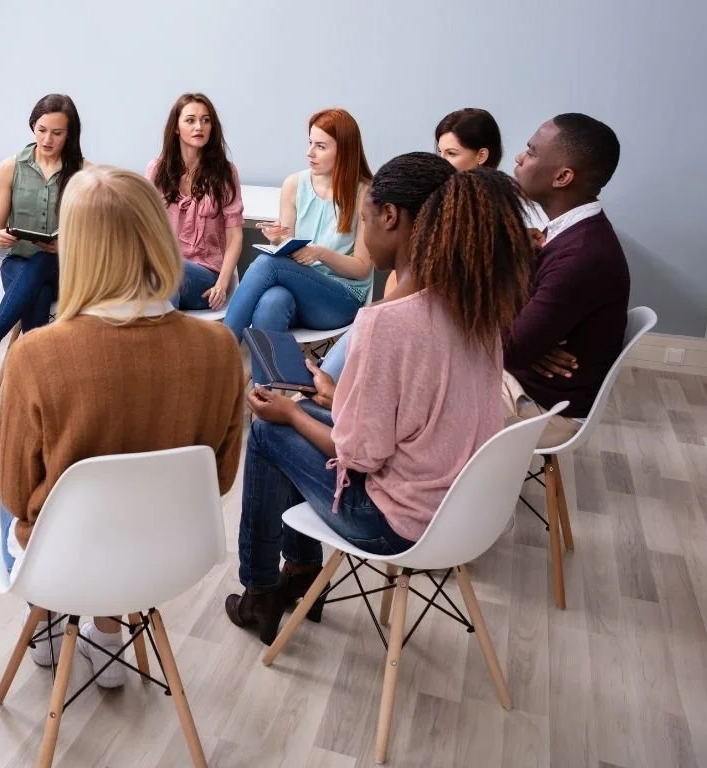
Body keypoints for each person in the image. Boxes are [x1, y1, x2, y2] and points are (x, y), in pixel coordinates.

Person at [225, 157, 533, 644]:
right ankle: (300, 576)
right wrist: (337, 394)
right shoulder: (477, 307)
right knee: (301, 410)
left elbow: (361, 456)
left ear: (391, 216)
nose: (364, 231)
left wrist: (289, 412)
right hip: (463, 511)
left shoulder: (385, 322)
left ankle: (262, 593)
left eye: (365, 219)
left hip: (396, 523)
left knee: (268, 429)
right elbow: (418, 413)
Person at [0, 165, 245, 687]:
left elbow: (16, 494)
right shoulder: (220, 348)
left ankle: (52, 620)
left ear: (76, 247)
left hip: (66, 554)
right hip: (170, 550)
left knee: (19, 492)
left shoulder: (37, 353)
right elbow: (218, 480)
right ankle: (111, 631)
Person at [222, 108, 374, 384]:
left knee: (269, 264)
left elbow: (362, 269)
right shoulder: (295, 184)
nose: (310, 153)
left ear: (345, 151)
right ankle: (264, 397)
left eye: (321, 146)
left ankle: (219, 353)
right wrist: (278, 239)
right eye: (310, 143)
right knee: (272, 300)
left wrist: (320, 253)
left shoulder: (366, 194)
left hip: (339, 299)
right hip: (297, 291)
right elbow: (288, 248)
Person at [506, 113, 628, 448]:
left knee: (418, 391)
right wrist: (528, 339)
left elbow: (509, 348)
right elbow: (517, 336)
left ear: (562, 176)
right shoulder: (566, 234)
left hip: (545, 410)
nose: (519, 158)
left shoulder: (583, 256)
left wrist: (523, 342)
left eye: (531, 152)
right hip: (526, 380)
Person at [0, 94, 84, 379]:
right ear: (33, 127)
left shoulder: (84, 172)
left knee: (46, 262)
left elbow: (94, 236)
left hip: (67, 268)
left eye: (57, 133)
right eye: (41, 130)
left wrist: (64, 244)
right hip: (18, 263)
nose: (47, 139)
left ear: (69, 135)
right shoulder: (10, 168)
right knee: (38, 285)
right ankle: (40, 380)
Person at [381, 107, 506, 297]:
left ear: (481, 156)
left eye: (452, 153)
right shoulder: (445, 197)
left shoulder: (491, 208)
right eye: (440, 152)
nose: (441, 161)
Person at [146, 93, 244, 311]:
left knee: (167, 270)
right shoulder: (157, 170)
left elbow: (235, 236)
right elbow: (144, 226)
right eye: (190, 120)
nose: (199, 126)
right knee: (162, 274)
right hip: (163, 274)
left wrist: (222, 284)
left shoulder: (226, 173)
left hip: (206, 280)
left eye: (205, 120)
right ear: (176, 128)